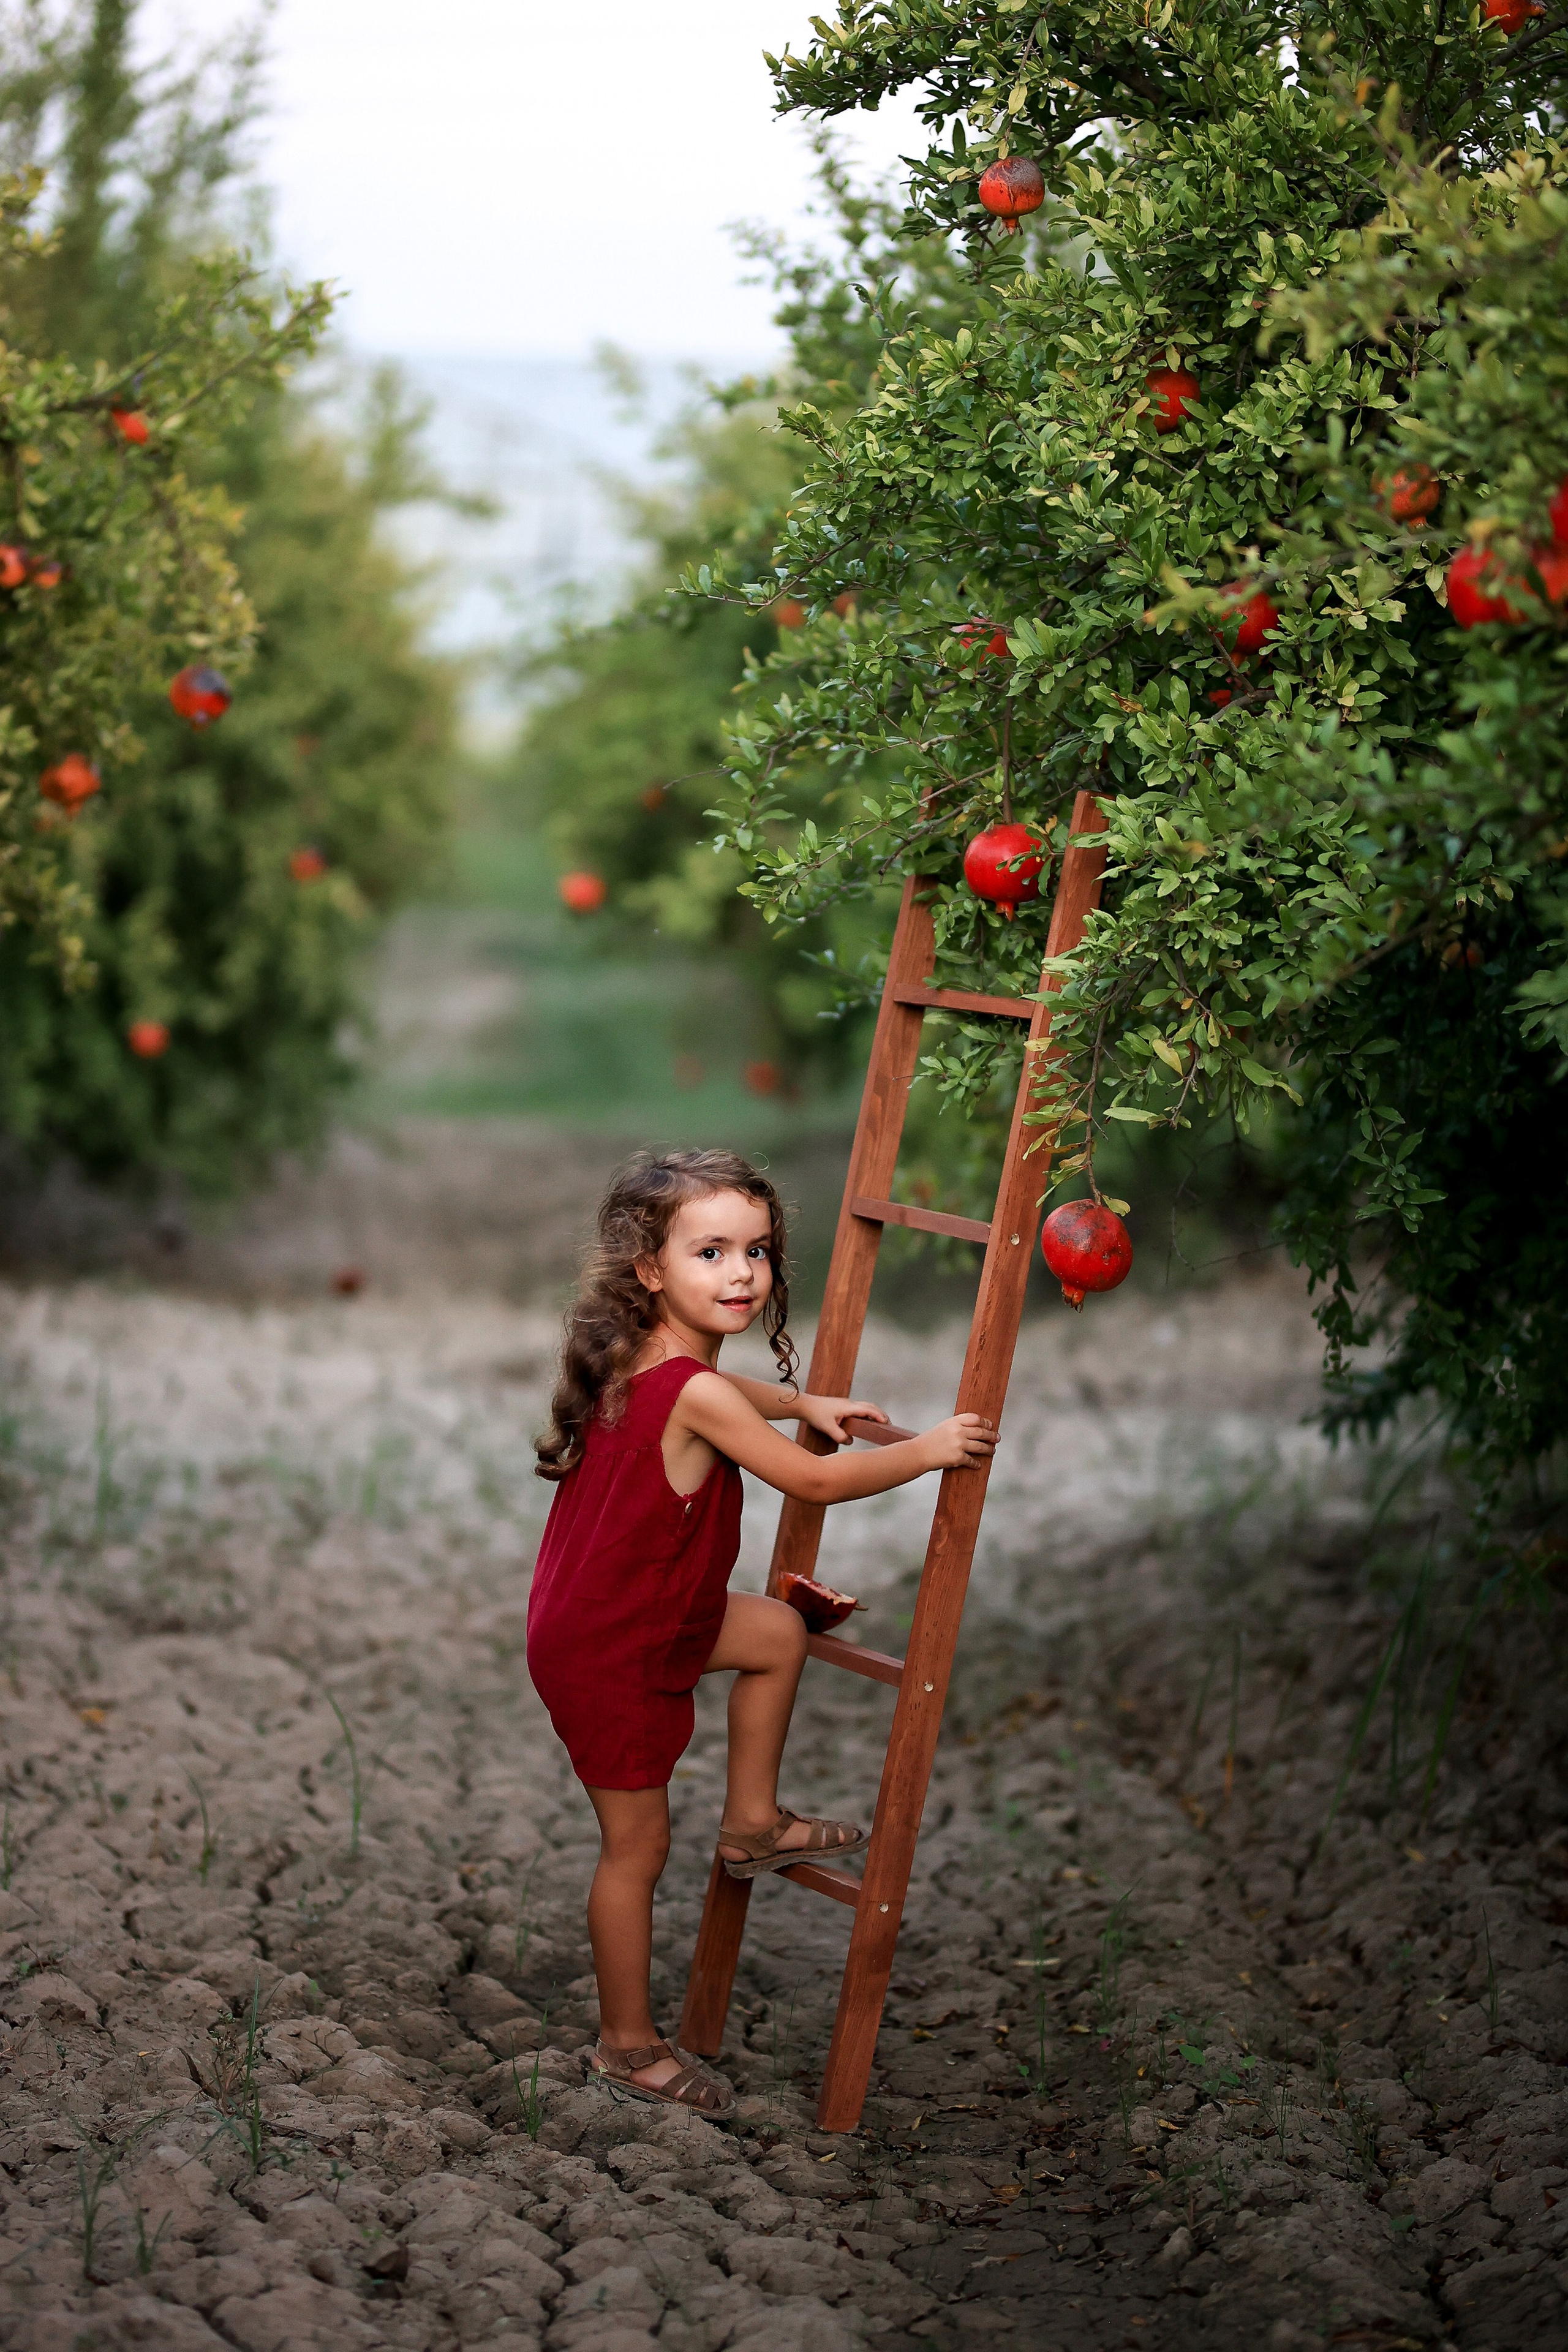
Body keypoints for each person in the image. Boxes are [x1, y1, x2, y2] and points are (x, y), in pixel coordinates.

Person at [527, 1147, 997, 2116]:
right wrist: (928, 1452)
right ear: (649, 1269)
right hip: (613, 1645)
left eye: (759, 1251)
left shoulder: (655, 1357)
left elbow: (735, 1400)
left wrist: (802, 1400)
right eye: (711, 1252)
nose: (742, 1274)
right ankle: (625, 2045)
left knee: (777, 1634)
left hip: (637, 1613)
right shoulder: (689, 1388)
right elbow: (815, 1480)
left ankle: (752, 1821)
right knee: (637, 1848)